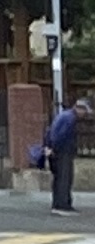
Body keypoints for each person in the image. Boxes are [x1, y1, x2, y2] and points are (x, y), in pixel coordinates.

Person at [50, 86, 80, 214]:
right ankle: (62, 204)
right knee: (64, 177)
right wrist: (57, 147)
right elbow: (62, 135)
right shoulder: (70, 118)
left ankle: (59, 203)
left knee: (60, 177)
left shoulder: (64, 115)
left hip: (59, 150)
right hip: (63, 151)